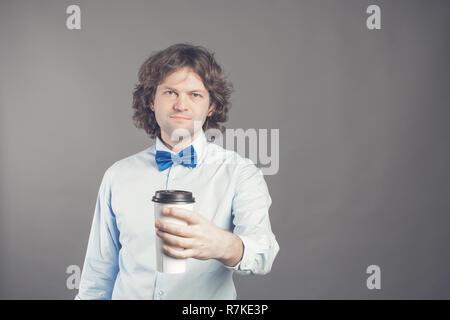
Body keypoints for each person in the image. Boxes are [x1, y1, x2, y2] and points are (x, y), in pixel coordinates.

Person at [75, 43, 279, 300]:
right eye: (171, 92)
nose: (181, 105)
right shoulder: (117, 175)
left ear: (211, 106)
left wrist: (224, 245)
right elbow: (98, 274)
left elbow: (264, 254)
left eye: (195, 95)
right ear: (151, 100)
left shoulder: (240, 173)